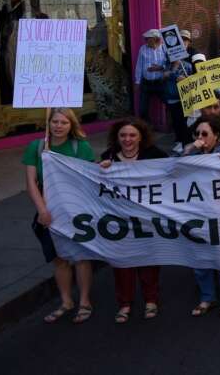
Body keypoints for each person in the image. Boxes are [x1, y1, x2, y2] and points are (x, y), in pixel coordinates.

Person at [23, 108, 96, 324]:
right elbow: (30, 183)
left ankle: (84, 301)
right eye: (54, 121)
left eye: (64, 122)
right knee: (60, 260)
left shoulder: (80, 146)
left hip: (75, 209)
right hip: (48, 211)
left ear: (71, 125)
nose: (58, 126)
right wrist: (42, 210)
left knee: (81, 257)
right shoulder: (36, 148)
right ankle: (66, 301)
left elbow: (89, 176)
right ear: (48, 123)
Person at [98, 118, 166, 322]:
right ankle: (125, 303)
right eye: (123, 135)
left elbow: (174, 171)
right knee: (122, 264)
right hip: (120, 222)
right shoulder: (108, 157)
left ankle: (151, 300)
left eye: (132, 135)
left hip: (146, 220)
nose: (127, 139)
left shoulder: (154, 155)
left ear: (141, 137)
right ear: (116, 138)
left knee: (149, 262)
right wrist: (100, 169)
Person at [182, 117, 220, 318]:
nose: (200, 138)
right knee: (200, 258)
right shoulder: (192, 153)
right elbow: (173, 169)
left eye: (205, 134)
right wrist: (190, 149)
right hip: (197, 214)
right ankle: (207, 298)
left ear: (216, 135)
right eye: (197, 134)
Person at [134, 29, 169, 122]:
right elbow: (139, 65)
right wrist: (137, 81)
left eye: (148, 39)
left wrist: (160, 68)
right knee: (142, 109)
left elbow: (171, 64)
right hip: (146, 83)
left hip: (160, 82)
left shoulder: (164, 48)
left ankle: (169, 125)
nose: (146, 41)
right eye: (146, 39)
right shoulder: (143, 48)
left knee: (169, 103)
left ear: (155, 39)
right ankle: (147, 128)